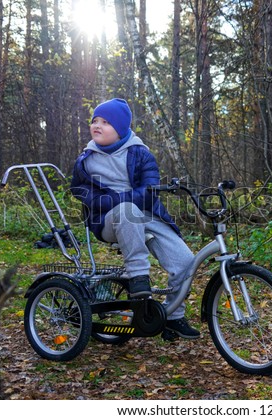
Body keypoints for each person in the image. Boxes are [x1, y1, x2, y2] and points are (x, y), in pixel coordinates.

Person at [70, 98, 199, 340]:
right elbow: (81, 193)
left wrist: (118, 198)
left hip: (147, 214)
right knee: (126, 210)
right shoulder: (86, 160)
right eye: (94, 121)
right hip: (109, 220)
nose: (97, 125)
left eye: (106, 122)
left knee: (185, 262)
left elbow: (149, 192)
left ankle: (173, 316)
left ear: (120, 128)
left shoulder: (140, 154)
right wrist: (118, 202)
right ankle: (138, 276)